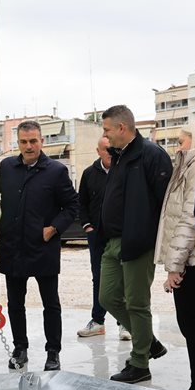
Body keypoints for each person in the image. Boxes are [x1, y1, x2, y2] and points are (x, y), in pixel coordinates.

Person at [0, 120, 79, 371]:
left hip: (43, 247)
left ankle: (53, 352)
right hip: (13, 247)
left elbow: (72, 205)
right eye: (23, 142)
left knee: (51, 304)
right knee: (15, 304)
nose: (28, 146)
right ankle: (20, 348)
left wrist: (54, 228)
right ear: (17, 143)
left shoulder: (56, 171)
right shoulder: (7, 167)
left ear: (42, 141)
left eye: (33, 141)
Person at [98, 105, 173, 384]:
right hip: (112, 243)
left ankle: (140, 363)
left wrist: (152, 239)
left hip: (139, 243)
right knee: (107, 298)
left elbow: (166, 204)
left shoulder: (151, 155)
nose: (105, 136)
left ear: (122, 128)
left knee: (137, 303)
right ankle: (148, 340)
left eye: (107, 130)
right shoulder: (119, 156)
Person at [153, 122, 195, 390]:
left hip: (192, 260)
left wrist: (174, 266)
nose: (178, 147)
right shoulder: (190, 166)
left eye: (182, 141)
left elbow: (190, 219)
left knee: (192, 322)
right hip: (193, 258)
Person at [76, 135, 130, 341]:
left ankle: (124, 323)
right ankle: (97, 321)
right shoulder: (89, 174)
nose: (110, 153)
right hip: (97, 236)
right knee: (98, 277)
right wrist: (87, 226)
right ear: (98, 151)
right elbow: (81, 203)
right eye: (106, 149)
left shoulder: (124, 171)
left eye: (113, 148)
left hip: (120, 235)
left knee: (123, 278)